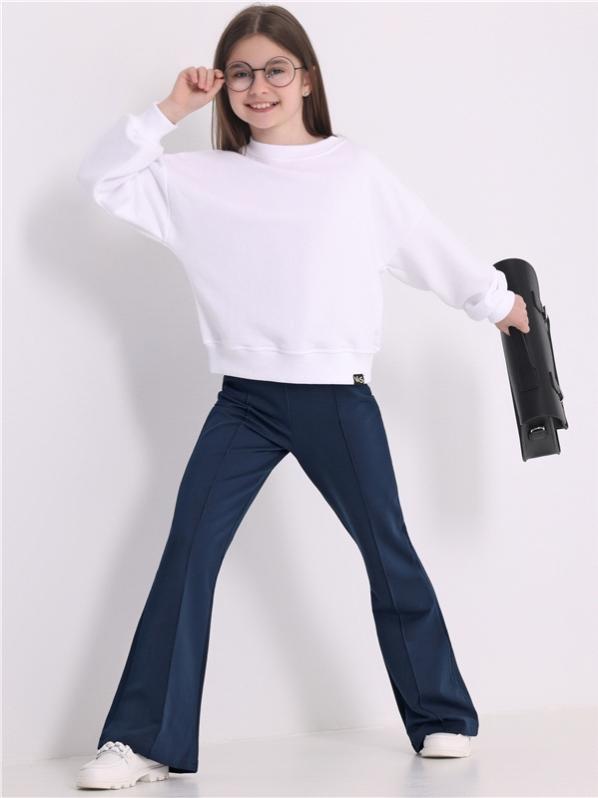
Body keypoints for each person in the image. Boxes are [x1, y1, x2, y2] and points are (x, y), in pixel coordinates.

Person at [75, 3, 530, 790]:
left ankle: (442, 716)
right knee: (189, 554)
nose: (259, 87)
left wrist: (498, 303)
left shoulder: (355, 172)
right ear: (224, 85)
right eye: (241, 73)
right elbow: (101, 178)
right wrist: (171, 108)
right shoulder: (197, 179)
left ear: (308, 78)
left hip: (337, 399)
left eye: (275, 70)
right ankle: (141, 740)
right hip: (244, 402)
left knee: (387, 552)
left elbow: (426, 244)